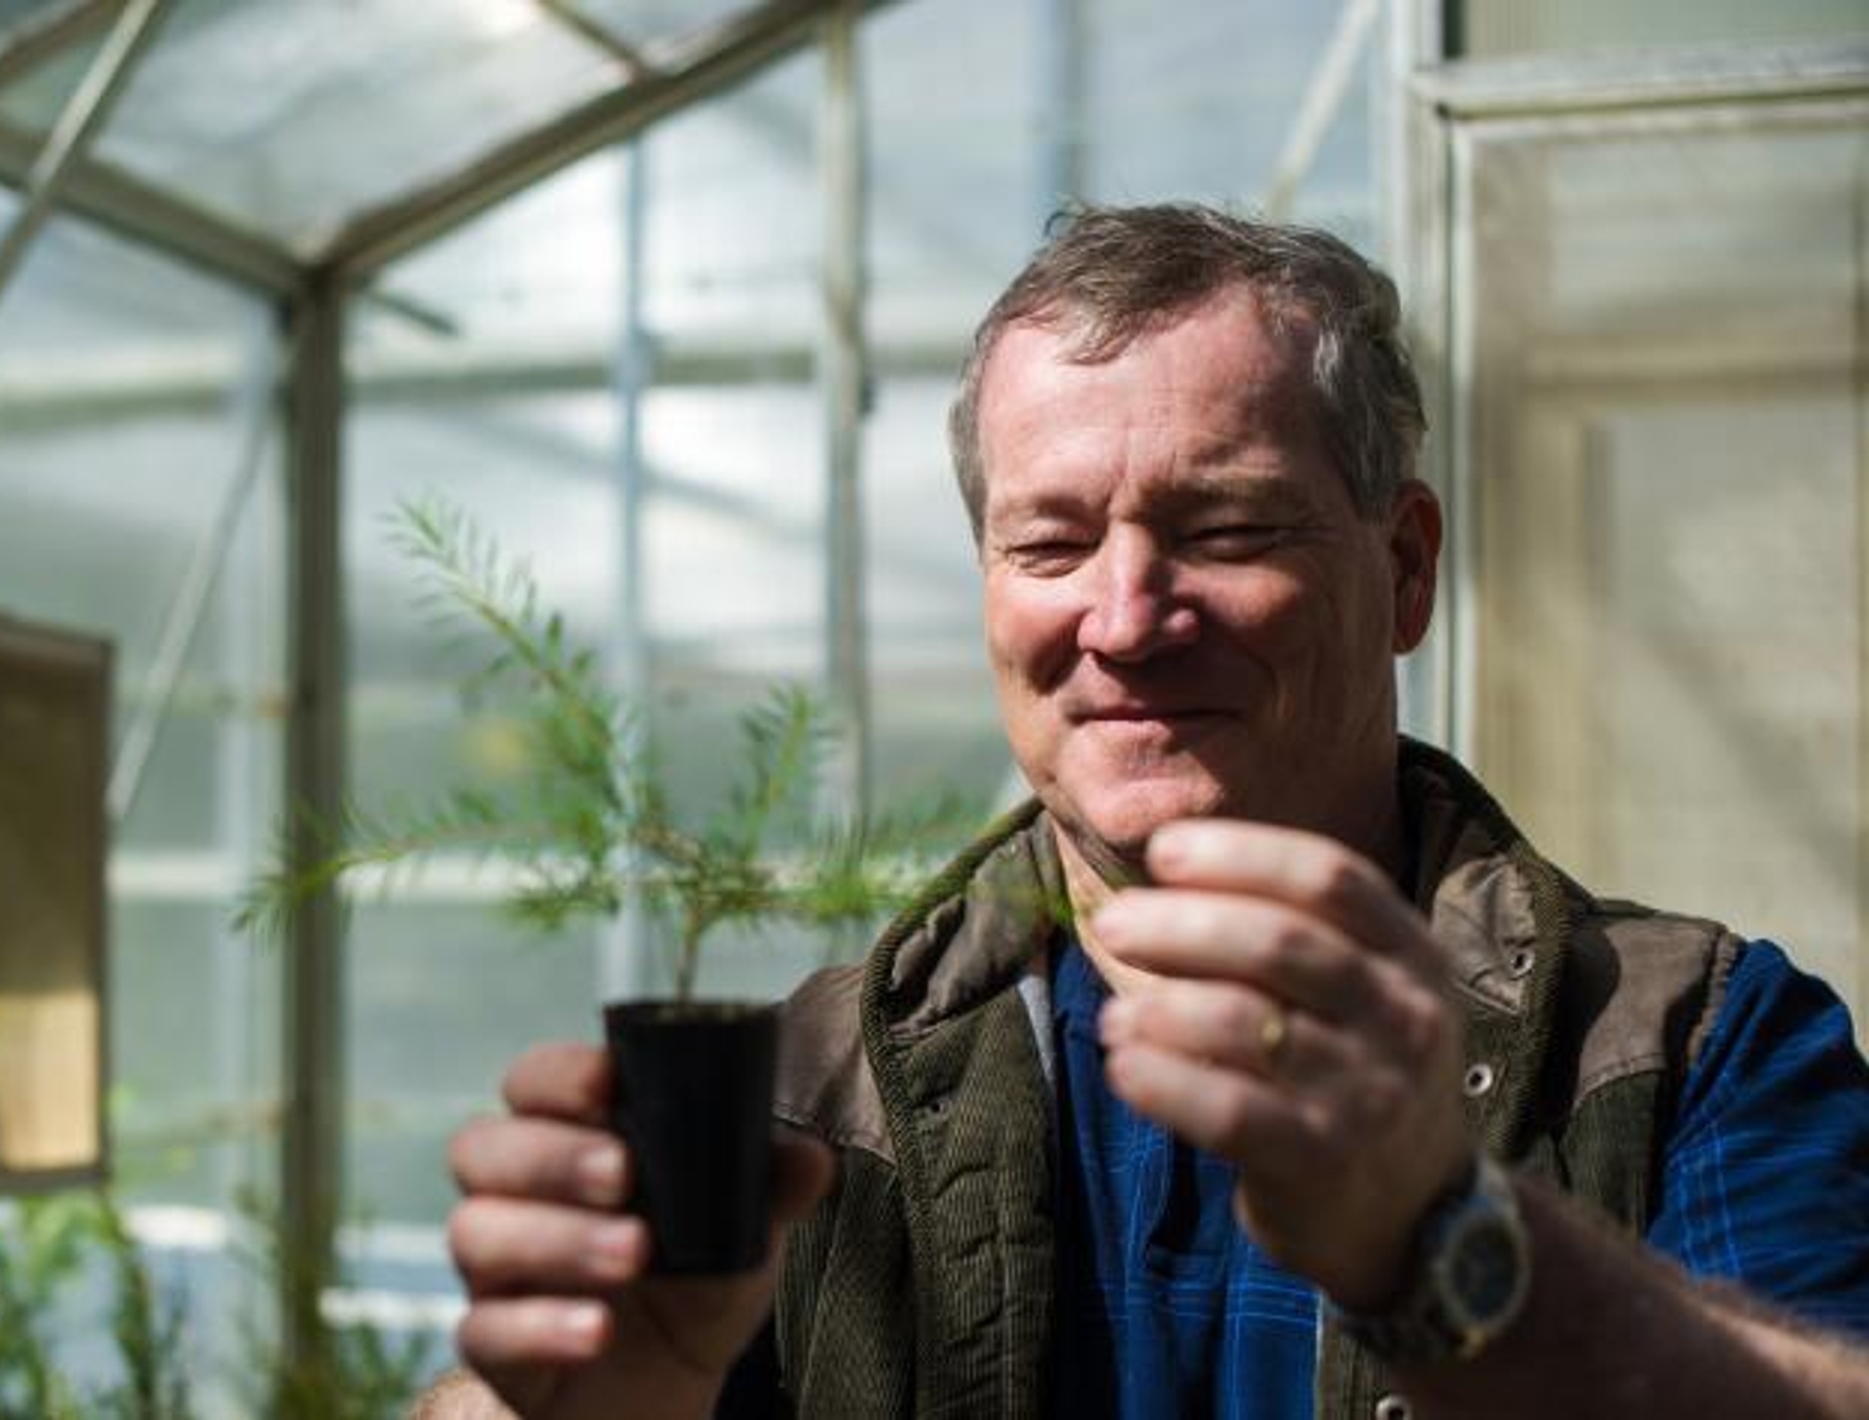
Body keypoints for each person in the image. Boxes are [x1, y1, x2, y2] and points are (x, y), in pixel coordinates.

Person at [430, 204, 1869, 1418]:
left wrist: (1451, 1250)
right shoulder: (811, 1099)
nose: (1123, 618)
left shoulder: (1688, 1046)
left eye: (1226, 529)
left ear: (1407, 568)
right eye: (1050, 541)